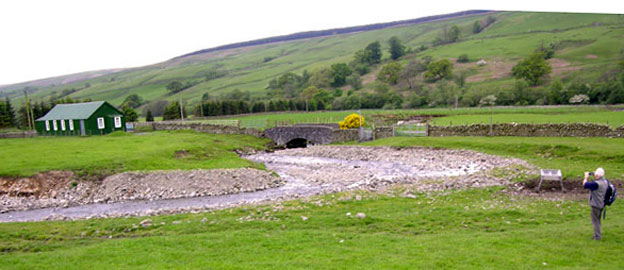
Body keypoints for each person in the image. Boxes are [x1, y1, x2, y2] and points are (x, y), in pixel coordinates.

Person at [583, 167, 608, 240]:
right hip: (601, 204)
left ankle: (597, 236)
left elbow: (585, 184)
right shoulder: (605, 182)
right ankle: (597, 234)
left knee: (595, 221)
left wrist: (586, 177)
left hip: (595, 205)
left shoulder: (596, 184)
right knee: (598, 220)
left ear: (597, 175)